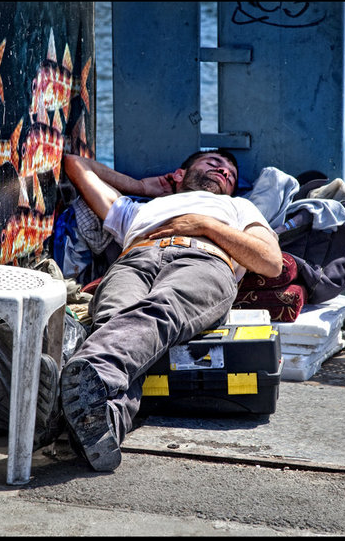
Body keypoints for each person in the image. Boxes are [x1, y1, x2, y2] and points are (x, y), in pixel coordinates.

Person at [59, 149, 282, 471]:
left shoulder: (237, 206)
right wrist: (143, 187)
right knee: (111, 321)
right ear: (180, 174)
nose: (224, 171)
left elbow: (270, 262)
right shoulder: (140, 209)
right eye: (213, 163)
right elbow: (75, 164)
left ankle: (86, 381)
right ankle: (103, 421)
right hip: (135, 259)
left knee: (160, 311)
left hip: (203, 259)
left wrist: (205, 224)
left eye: (231, 174)